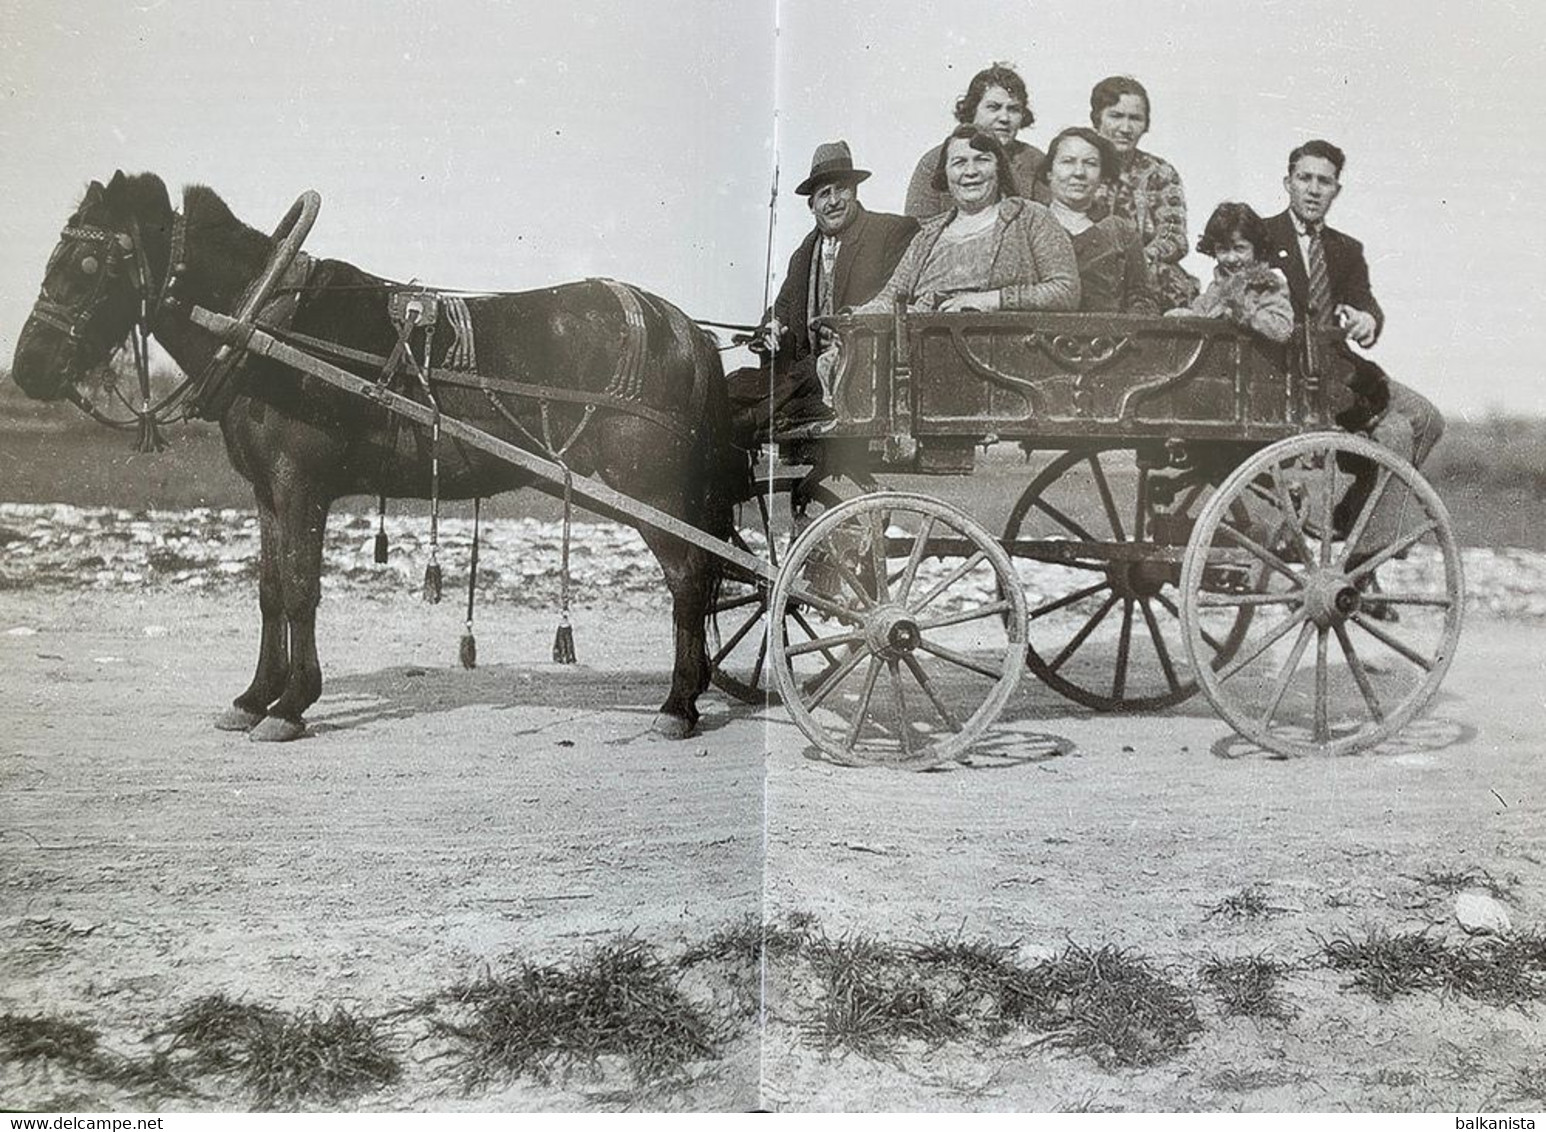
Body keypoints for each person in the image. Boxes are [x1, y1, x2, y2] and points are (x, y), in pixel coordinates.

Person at [1263, 139, 1444, 542]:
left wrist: (1365, 319)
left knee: (1428, 419)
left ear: (1336, 190)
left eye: (1324, 182)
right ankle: (1366, 553)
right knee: (1395, 434)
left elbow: (1364, 302)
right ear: (1287, 182)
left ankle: (1352, 524)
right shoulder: (1261, 236)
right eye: (1304, 178)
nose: (1313, 189)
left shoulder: (1345, 249)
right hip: (1289, 373)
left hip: (1344, 370)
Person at [728, 140, 917, 429]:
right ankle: (777, 412)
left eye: (841, 189)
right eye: (824, 194)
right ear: (812, 205)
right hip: (806, 377)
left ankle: (756, 419)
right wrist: (770, 328)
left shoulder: (891, 234)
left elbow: (900, 299)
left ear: (854, 192)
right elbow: (779, 310)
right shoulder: (803, 256)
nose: (833, 201)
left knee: (784, 386)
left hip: (861, 374)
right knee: (736, 383)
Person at [855, 125, 1079, 316]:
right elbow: (890, 297)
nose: (971, 171)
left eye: (982, 160)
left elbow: (1066, 290)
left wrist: (991, 300)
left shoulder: (1031, 218)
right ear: (946, 173)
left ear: (999, 168)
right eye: (959, 162)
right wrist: (856, 315)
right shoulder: (928, 235)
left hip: (1000, 351)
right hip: (924, 349)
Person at [1087, 75, 1200, 312]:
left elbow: (1174, 235)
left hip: (1145, 272)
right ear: (1097, 119)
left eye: (1135, 118)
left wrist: (1139, 260)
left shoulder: (1160, 172)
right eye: (1116, 116)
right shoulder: (1080, 168)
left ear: (1146, 125)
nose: (1125, 128)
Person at [1040, 126, 1157, 315]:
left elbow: (1141, 297)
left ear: (1102, 176)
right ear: (1049, 172)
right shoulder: (1030, 225)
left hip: (1106, 340)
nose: (1079, 172)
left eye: (1090, 163)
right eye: (1068, 161)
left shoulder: (1120, 231)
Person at [904, 63, 1045, 219]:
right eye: (993, 107)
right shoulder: (935, 161)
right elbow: (916, 229)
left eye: (1013, 109)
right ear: (972, 110)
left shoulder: (1035, 161)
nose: (1004, 118)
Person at [1171, 201, 1293, 342]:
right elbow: (1203, 318)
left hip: (1255, 359)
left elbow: (1282, 329)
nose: (1231, 258)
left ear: (1256, 248)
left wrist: (1245, 314)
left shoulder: (1267, 285)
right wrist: (1186, 317)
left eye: (1239, 248)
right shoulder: (1216, 287)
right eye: (1223, 249)